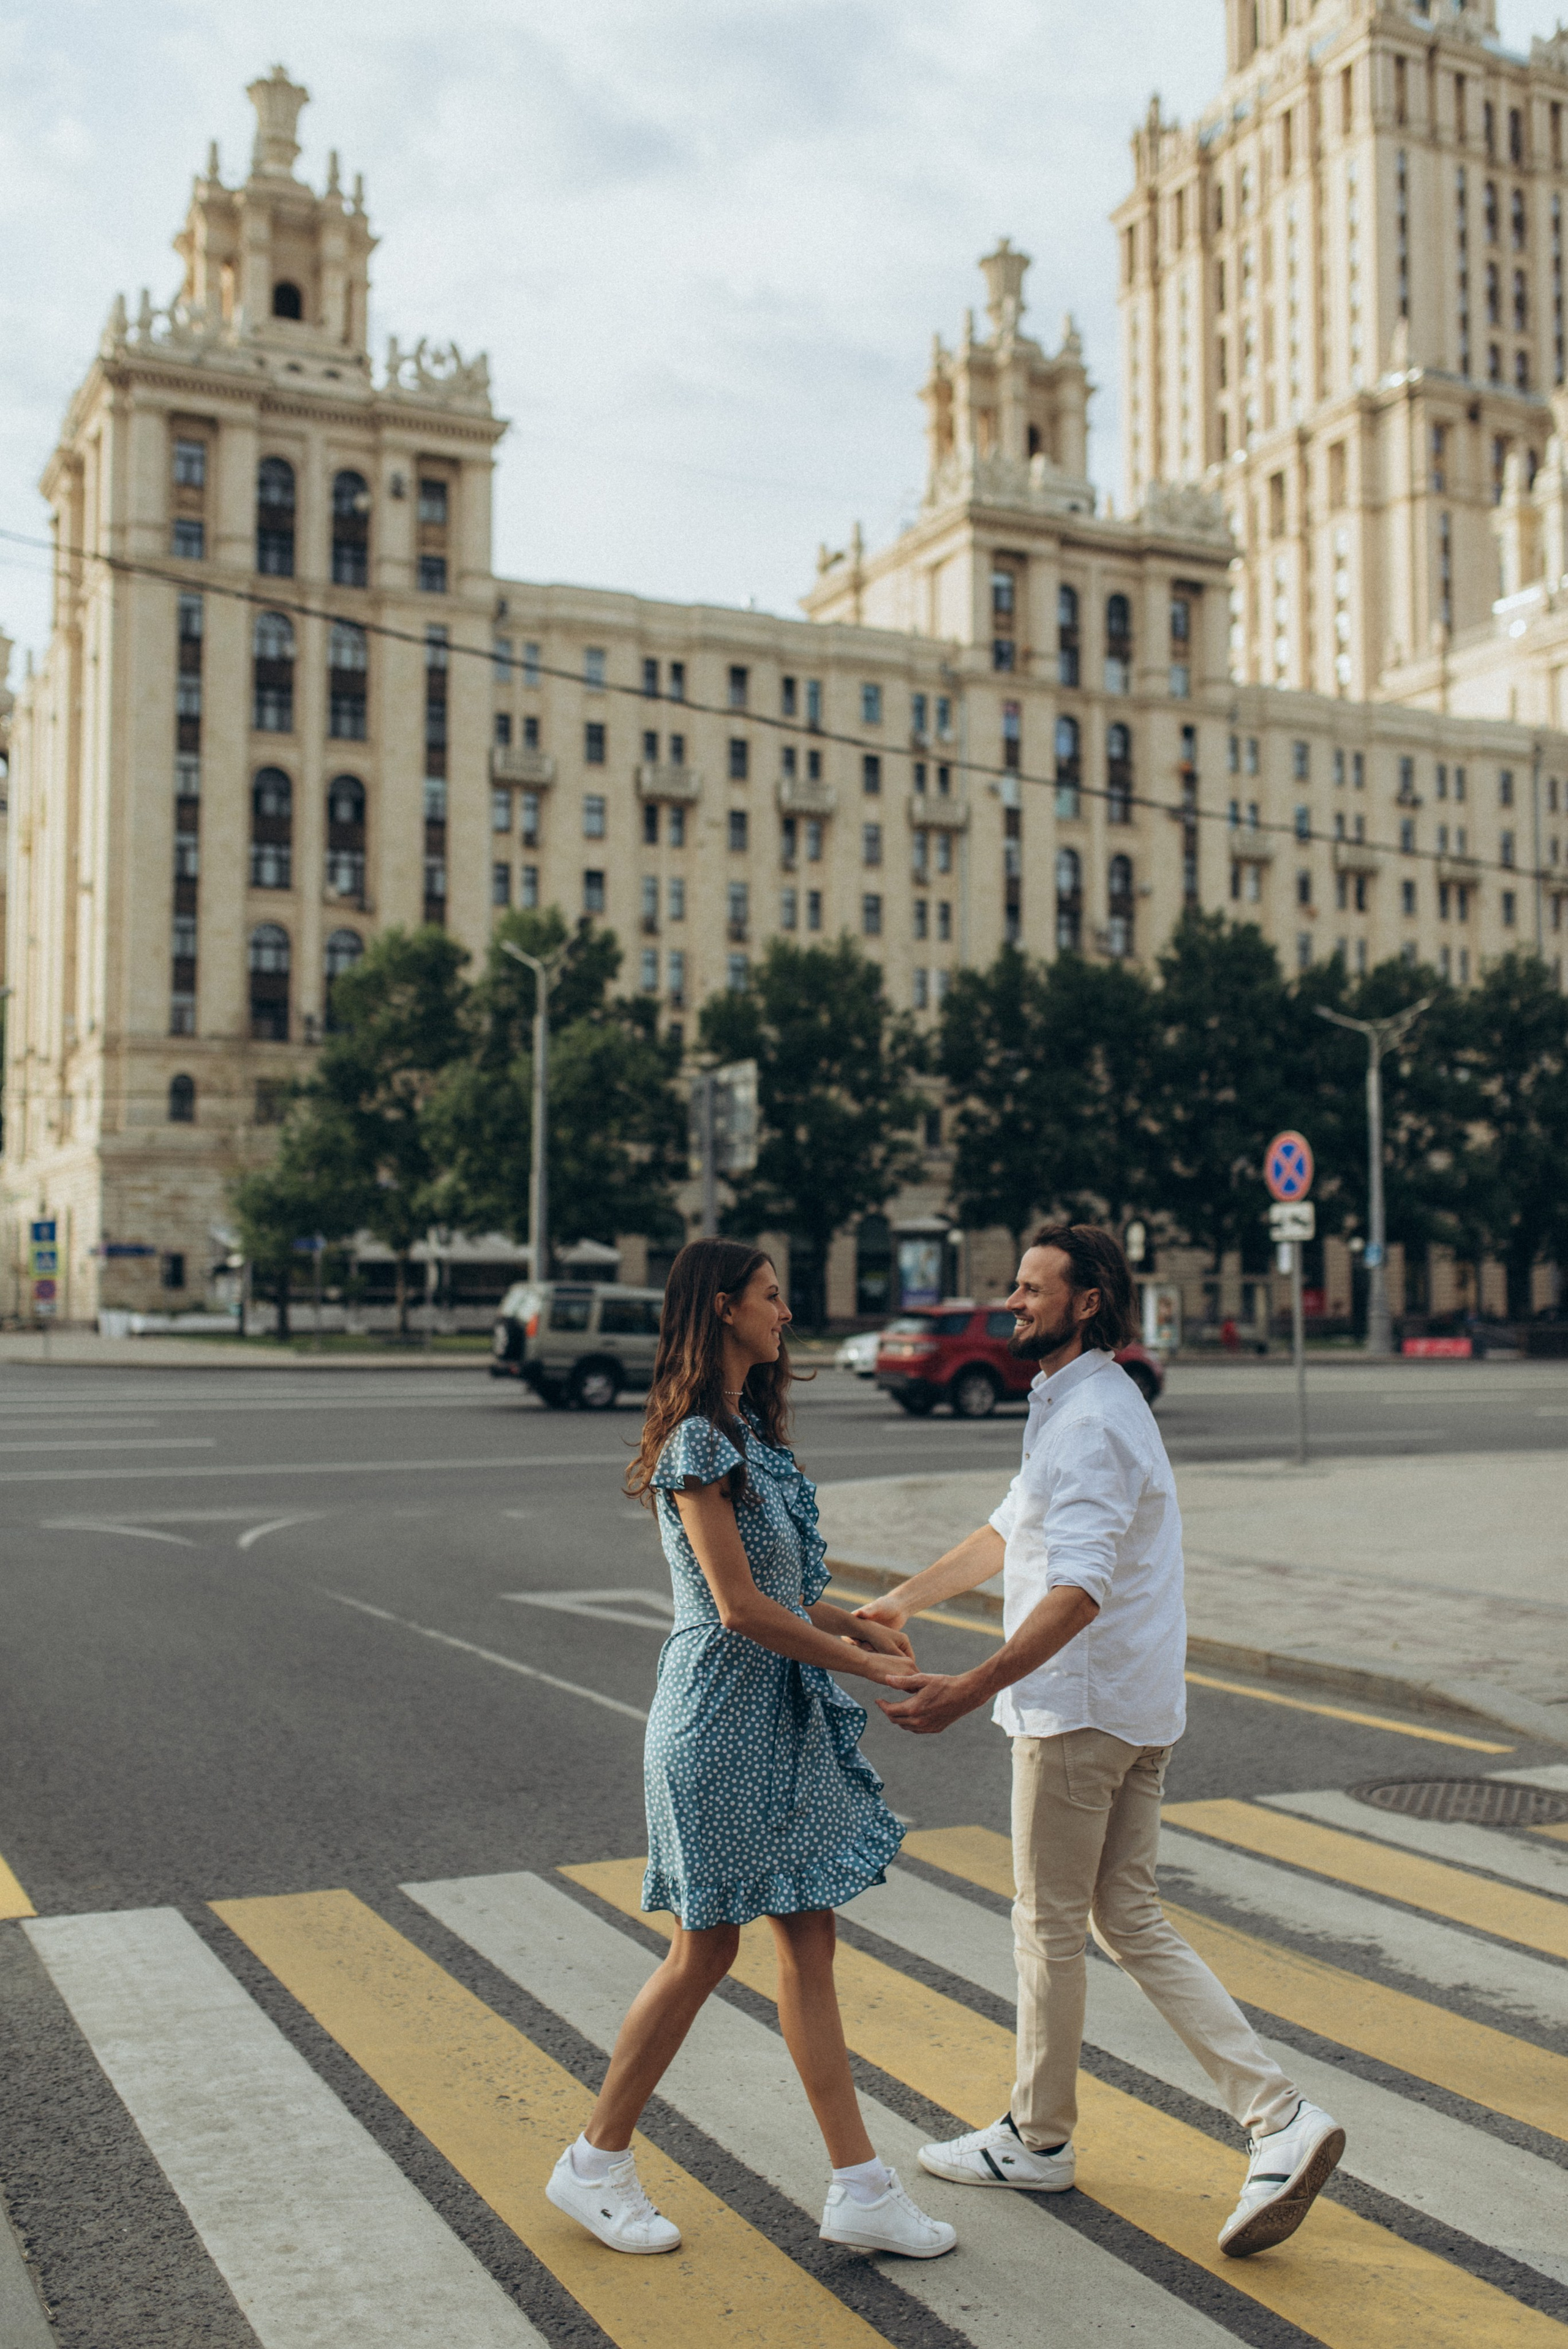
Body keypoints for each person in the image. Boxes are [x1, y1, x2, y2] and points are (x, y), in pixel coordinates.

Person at [858, 1224, 1344, 2260]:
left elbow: (1078, 1590)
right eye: (1015, 1285)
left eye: (1032, 1288)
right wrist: (900, 1600)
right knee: (1127, 1916)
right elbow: (1008, 1531)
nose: (1012, 1301)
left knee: (1048, 1924)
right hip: (1130, 1706)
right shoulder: (1083, 1402)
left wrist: (968, 1688)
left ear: (1086, 1303)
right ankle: (1279, 2117)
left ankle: (1039, 2138)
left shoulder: (1089, 1422)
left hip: (1077, 1714)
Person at [546, 1237, 957, 2263]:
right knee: (707, 1949)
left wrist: (861, 1629)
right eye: (773, 1296)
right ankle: (593, 2161)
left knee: (809, 1942)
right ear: (725, 1307)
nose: (787, 1312)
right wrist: (860, 1665)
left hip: (770, 1721)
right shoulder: (697, 1443)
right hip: (719, 1722)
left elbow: (783, 1595)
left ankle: (861, 2188)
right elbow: (737, 1608)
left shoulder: (749, 1441)